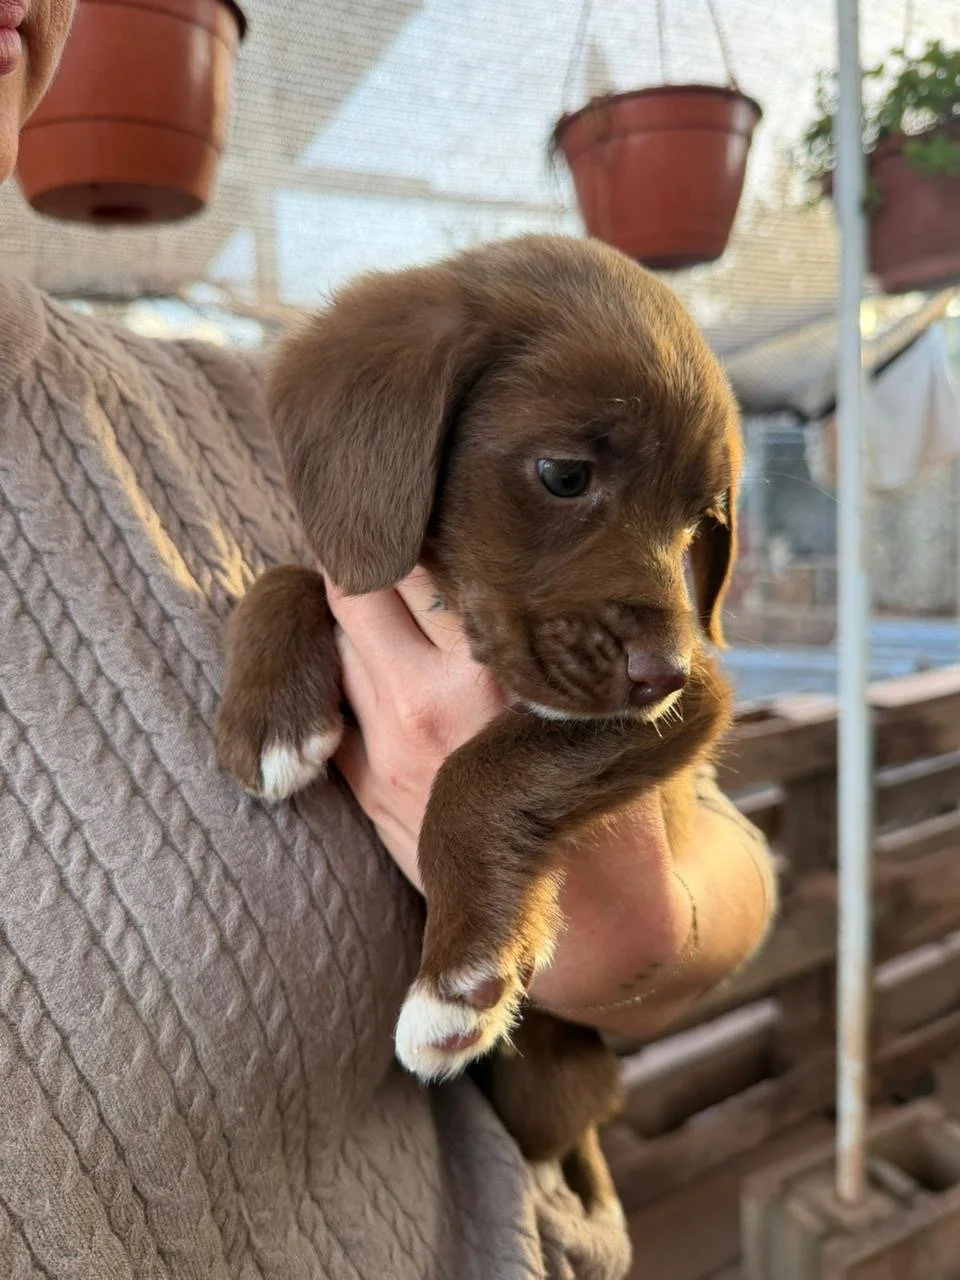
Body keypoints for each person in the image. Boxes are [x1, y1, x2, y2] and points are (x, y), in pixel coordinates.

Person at [0, 5, 776, 1277]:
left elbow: (698, 755)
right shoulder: (360, 419)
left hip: (534, 1152)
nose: (661, 638)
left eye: (694, 525)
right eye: (566, 475)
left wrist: (623, 915)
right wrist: (289, 613)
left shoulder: (226, 410)